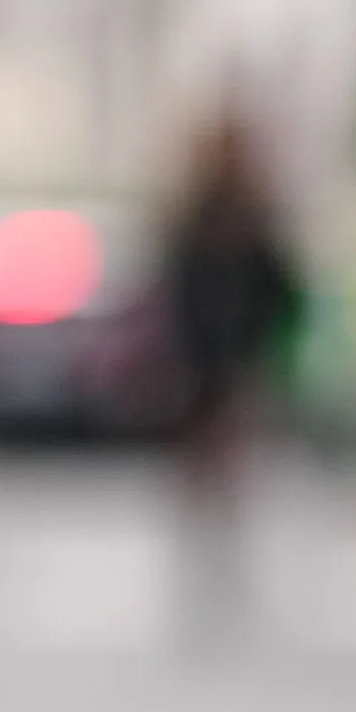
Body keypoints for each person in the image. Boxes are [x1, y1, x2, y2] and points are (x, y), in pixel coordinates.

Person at [151, 109, 304, 627]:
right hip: (202, 353)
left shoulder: (253, 215)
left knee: (228, 449)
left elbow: (281, 284)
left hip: (238, 350)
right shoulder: (196, 213)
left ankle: (224, 542)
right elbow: (174, 282)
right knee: (202, 453)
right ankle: (206, 543)